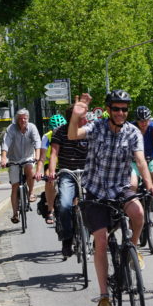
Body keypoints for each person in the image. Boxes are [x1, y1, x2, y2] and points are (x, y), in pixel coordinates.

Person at [67, 90, 153, 306]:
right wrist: (76, 115)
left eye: (124, 109)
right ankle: (104, 297)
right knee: (102, 240)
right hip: (96, 191)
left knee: (138, 213)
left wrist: (150, 184)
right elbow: (74, 135)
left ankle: (132, 249)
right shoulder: (97, 128)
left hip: (120, 187)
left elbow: (141, 161)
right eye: (116, 108)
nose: (120, 113)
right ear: (108, 109)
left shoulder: (133, 132)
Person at [46, 109, 89, 258]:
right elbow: (54, 154)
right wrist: (52, 171)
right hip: (67, 173)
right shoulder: (60, 132)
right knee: (64, 205)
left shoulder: (88, 131)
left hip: (87, 173)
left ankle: (102, 237)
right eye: (82, 118)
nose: (86, 120)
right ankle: (67, 239)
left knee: (99, 203)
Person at [0, 108, 41, 224]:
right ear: (17, 120)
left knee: (29, 168)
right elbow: (6, 143)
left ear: (28, 119)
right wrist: (3, 158)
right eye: (21, 118)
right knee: (15, 186)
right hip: (14, 159)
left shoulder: (32, 127)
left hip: (27, 157)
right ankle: (15, 214)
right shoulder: (11, 128)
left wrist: (37, 156)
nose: (23, 120)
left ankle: (31, 193)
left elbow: (37, 142)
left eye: (25, 118)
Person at [36, 114, 67, 225]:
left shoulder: (69, 134)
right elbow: (42, 157)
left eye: (61, 128)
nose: (59, 131)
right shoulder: (47, 137)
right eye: (56, 129)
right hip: (50, 164)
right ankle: (50, 210)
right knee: (50, 179)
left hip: (65, 163)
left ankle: (75, 207)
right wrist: (39, 171)